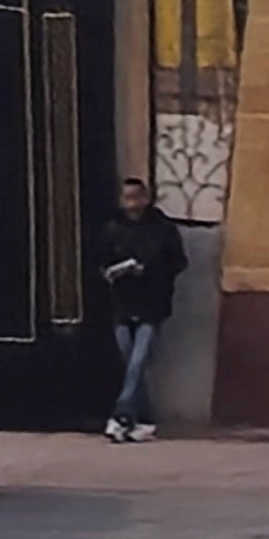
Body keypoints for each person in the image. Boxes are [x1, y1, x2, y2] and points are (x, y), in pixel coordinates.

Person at [93, 175, 187, 442]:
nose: (132, 204)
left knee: (138, 361)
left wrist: (150, 270)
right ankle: (143, 421)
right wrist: (110, 272)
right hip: (122, 303)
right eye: (127, 198)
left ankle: (121, 413)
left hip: (152, 303)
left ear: (146, 198)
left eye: (137, 197)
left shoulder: (162, 228)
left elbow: (178, 262)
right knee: (129, 363)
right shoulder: (112, 228)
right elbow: (101, 260)